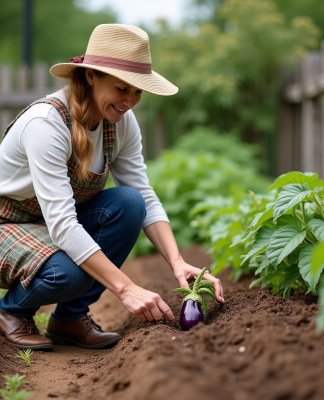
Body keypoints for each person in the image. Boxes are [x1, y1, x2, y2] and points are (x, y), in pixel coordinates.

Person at [0, 24, 225, 351]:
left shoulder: (119, 123)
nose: (130, 101)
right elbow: (63, 225)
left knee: (130, 203)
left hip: (48, 227)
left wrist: (177, 262)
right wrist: (126, 289)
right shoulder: (45, 125)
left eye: (137, 92)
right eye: (122, 88)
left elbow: (144, 195)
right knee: (67, 273)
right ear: (91, 75)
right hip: (9, 225)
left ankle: (69, 318)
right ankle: (11, 311)